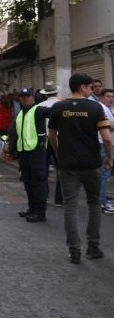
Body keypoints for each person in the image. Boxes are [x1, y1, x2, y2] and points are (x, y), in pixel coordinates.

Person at [47, 73, 112, 264]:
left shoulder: (58, 107)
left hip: (68, 165)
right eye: (90, 88)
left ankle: (74, 250)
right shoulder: (95, 107)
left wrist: (59, 154)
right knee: (93, 204)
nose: (91, 91)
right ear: (83, 88)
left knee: (71, 206)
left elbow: (52, 135)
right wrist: (110, 158)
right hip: (91, 163)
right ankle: (93, 247)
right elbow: (107, 138)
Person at [6, 88, 50, 222]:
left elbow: (54, 112)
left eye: (28, 96)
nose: (25, 99)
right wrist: (11, 151)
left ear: (33, 98)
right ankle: (32, 208)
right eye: (22, 96)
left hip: (37, 153)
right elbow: (15, 134)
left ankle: (40, 212)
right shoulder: (20, 114)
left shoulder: (39, 110)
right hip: (24, 154)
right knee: (28, 182)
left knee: (38, 183)